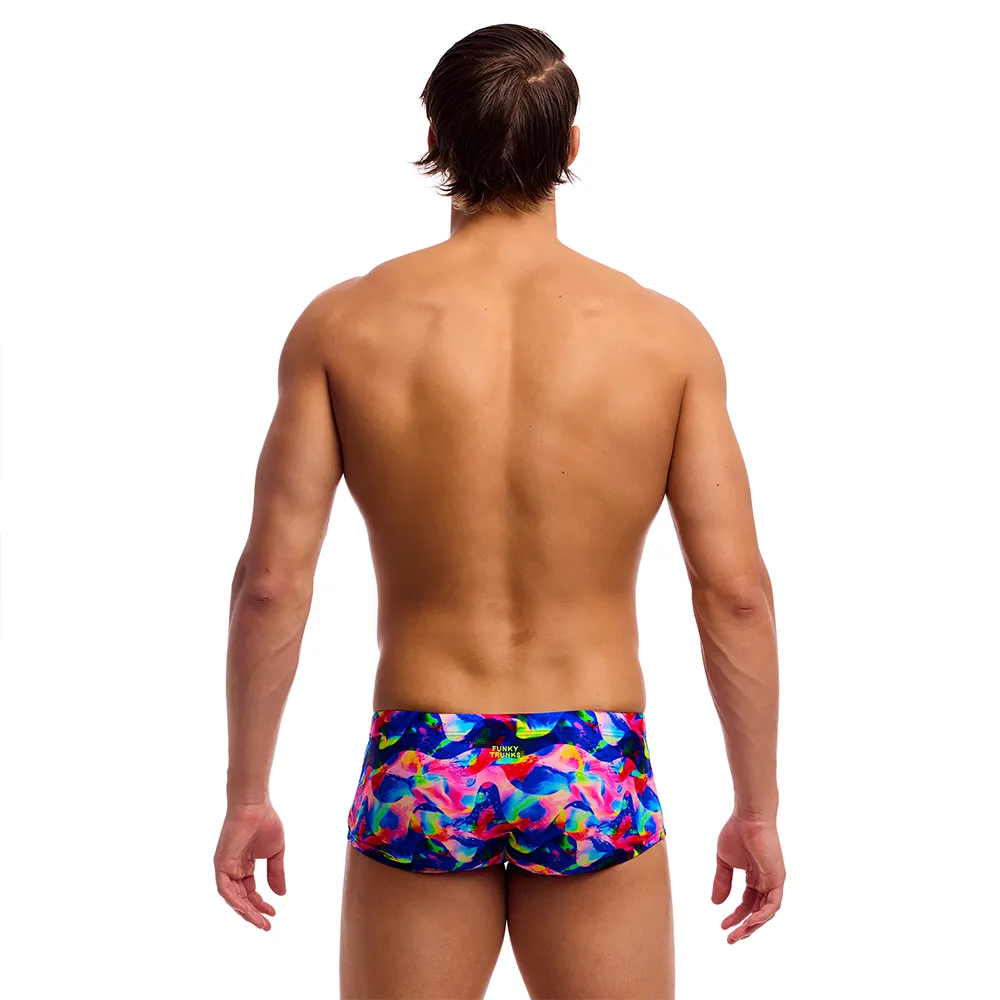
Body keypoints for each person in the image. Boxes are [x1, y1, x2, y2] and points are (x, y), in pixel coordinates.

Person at [213, 22, 784, 1000]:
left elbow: (271, 585)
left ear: (436, 137)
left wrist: (247, 794)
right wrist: (757, 807)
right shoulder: (664, 338)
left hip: (423, 755)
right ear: (570, 146)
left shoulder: (345, 327)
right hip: (588, 760)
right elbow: (733, 591)